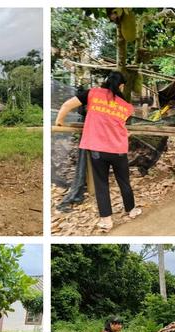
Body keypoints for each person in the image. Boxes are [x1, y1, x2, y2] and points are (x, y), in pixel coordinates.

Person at [55, 71, 142, 232]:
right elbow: (118, 125)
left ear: (106, 81)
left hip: (97, 149)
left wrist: (59, 121)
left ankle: (106, 220)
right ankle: (131, 210)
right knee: (124, 181)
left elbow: (66, 105)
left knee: (101, 184)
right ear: (121, 86)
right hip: (118, 149)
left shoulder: (92, 93)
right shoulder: (126, 106)